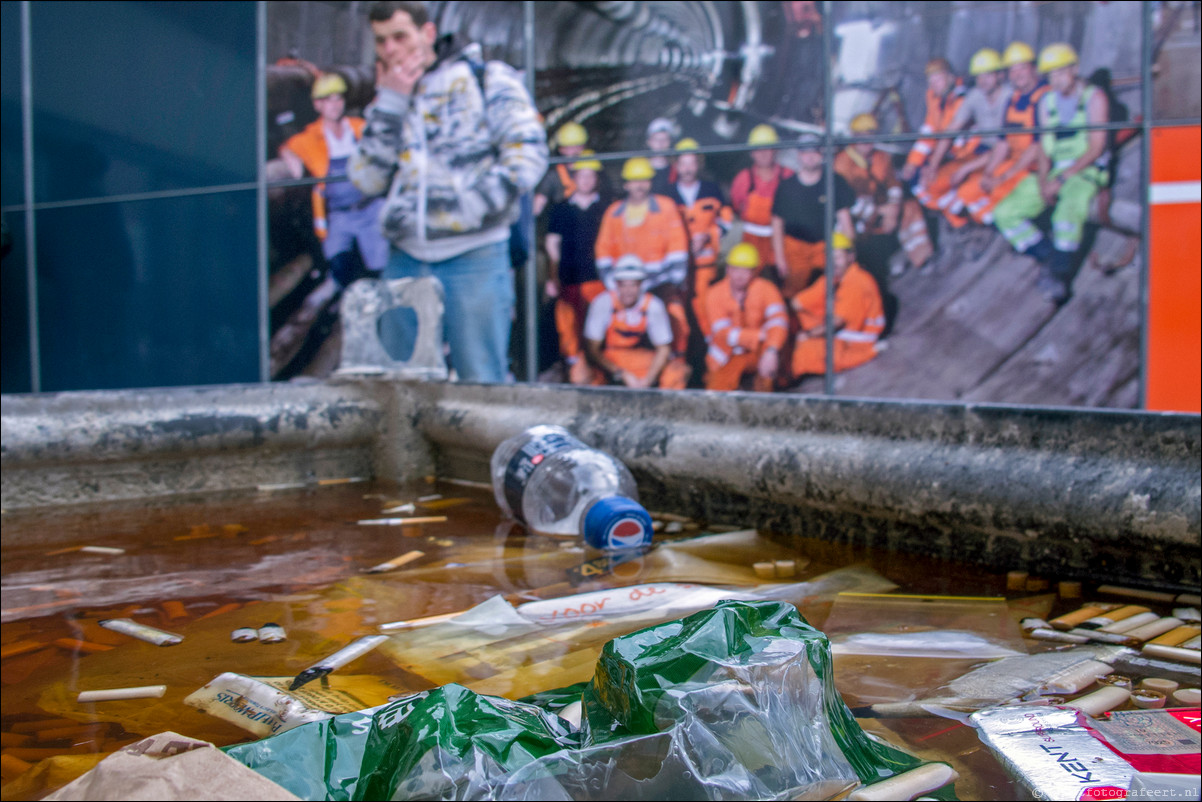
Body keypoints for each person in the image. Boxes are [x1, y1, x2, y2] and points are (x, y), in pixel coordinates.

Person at [350, 0, 548, 382]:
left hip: (475, 255)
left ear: (427, 33)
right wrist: (391, 102)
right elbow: (366, 180)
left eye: (399, 37)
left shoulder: (487, 78)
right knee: (400, 383)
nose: (390, 50)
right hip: (405, 258)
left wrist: (470, 209)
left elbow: (527, 154)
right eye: (380, 41)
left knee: (481, 379)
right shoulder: (388, 98)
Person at [992, 43, 1109, 304]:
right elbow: (1044, 147)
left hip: (1085, 171)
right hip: (1055, 171)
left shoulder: (1093, 97)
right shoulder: (1047, 101)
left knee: (1067, 213)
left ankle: (1060, 276)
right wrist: (1045, 180)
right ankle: (1049, 255)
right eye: (1051, 74)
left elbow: (1096, 147)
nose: (1056, 79)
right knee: (1004, 212)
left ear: (1075, 70)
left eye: (1061, 72)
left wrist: (1063, 179)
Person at [279, 73, 390, 290]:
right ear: (317, 105)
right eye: (327, 99)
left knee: (381, 269)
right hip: (338, 214)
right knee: (339, 268)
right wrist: (289, 158)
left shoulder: (358, 127)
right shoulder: (311, 138)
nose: (335, 104)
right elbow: (286, 147)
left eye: (338, 98)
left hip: (370, 209)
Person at [594, 157, 691, 356]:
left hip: (661, 285)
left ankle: (674, 369)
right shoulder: (614, 213)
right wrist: (620, 288)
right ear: (626, 184)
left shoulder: (666, 207)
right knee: (617, 325)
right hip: (624, 290)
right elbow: (603, 253)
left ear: (650, 182)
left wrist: (664, 282)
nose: (639, 185)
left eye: (644, 180)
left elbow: (678, 252)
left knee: (677, 320)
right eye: (634, 180)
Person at [952, 41, 1049, 226]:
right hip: (1014, 161)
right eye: (1012, 70)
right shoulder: (1013, 100)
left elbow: (1038, 147)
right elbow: (1003, 143)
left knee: (996, 193)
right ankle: (993, 232)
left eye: (1022, 68)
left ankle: (1010, 233)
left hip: (1033, 167)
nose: (1017, 74)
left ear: (1033, 68)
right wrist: (989, 173)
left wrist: (1002, 178)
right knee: (968, 191)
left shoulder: (1044, 98)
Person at [920, 48, 1012, 225]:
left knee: (970, 191)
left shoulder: (1010, 97)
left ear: (999, 75)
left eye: (988, 75)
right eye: (979, 76)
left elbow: (1005, 146)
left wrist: (966, 168)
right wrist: (933, 165)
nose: (983, 80)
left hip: (1006, 156)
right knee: (933, 183)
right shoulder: (975, 96)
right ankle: (965, 225)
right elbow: (951, 131)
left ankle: (994, 228)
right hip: (983, 153)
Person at [834, 112, 933, 274]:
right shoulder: (841, 164)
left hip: (884, 210)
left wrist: (893, 208)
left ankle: (923, 259)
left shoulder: (881, 157)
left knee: (910, 208)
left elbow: (894, 184)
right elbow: (845, 204)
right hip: (859, 217)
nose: (866, 141)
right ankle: (857, 274)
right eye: (861, 136)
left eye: (870, 135)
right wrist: (880, 211)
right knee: (843, 232)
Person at [544, 154, 609, 385]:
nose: (586, 181)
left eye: (590, 176)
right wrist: (552, 277)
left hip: (598, 280)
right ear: (575, 178)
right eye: (581, 176)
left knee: (597, 327)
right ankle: (573, 373)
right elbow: (552, 245)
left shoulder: (605, 208)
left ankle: (599, 374)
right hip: (569, 279)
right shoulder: (561, 209)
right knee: (569, 329)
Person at [789, 231, 886, 380]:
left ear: (851, 257)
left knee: (799, 354)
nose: (833, 262)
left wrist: (806, 335)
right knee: (797, 319)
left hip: (855, 343)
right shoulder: (835, 277)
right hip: (840, 330)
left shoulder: (856, 282)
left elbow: (837, 323)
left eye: (838, 257)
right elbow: (798, 303)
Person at [582, 256, 689, 389]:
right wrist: (621, 373)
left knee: (677, 373)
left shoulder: (653, 305)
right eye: (623, 285)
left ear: (641, 285)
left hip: (642, 359)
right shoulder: (603, 303)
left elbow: (664, 348)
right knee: (580, 374)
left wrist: (649, 379)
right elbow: (592, 349)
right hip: (610, 360)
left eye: (633, 285)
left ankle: (661, 408)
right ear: (616, 284)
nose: (628, 291)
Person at [770, 133, 855, 297]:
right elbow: (777, 225)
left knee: (831, 290)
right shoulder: (786, 187)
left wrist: (849, 252)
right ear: (798, 155)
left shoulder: (835, 181)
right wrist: (780, 259)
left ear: (821, 153)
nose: (809, 157)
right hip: (795, 249)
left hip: (825, 247)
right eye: (805, 152)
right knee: (794, 292)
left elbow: (845, 220)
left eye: (814, 151)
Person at [668, 138, 732, 338]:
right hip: (677, 265)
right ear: (676, 165)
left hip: (705, 265)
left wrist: (710, 235)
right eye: (683, 163)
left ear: (699, 164)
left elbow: (727, 219)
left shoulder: (712, 189)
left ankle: (710, 350)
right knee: (677, 313)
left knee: (706, 310)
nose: (687, 169)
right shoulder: (666, 193)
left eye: (692, 163)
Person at [703, 243, 789, 392]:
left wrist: (772, 350)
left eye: (746, 270)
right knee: (717, 394)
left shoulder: (766, 289)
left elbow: (779, 321)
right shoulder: (714, 294)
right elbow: (723, 333)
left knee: (766, 381)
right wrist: (758, 336)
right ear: (728, 269)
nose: (739, 275)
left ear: (754, 272)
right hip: (726, 356)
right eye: (735, 269)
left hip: (758, 353)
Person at [900, 59, 974, 211]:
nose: (934, 84)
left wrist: (932, 166)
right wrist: (912, 162)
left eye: (938, 79)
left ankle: (959, 215)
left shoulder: (963, 99)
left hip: (966, 155)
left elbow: (949, 134)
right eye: (931, 80)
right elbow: (929, 131)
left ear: (951, 77)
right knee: (913, 179)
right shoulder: (934, 97)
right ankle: (953, 217)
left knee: (931, 183)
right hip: (945, 155)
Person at [729, 124, 795, 278]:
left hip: (783, 241)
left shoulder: (788, 176)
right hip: (750, 241)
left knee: (784, 282)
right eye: (759, 149)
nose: (764, 154)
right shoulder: (743, 179)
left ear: (776, 150)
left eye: (768, 148)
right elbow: (736, 206)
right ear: (752, 152)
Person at [533, 121, 595, 217]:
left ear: (584, 147)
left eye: (578, 146)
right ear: (561, 149)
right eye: (569, 147)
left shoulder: (594, 170)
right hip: (562, 223)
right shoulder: (553, 176)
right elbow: (538, 203)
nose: (575, 151)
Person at [645, 117, 677, 196]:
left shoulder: (676, 170)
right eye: (656, 139)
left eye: (665, 140)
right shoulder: (641, 168)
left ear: (670, 142)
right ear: (649, 142)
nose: (660, 144)